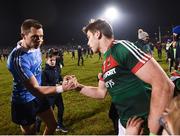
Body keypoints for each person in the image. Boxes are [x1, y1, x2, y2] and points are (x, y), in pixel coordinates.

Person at [76, 19, 174, 135]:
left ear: (97, 34)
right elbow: (100, 93)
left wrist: (152, 131)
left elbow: (164, 85)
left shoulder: (121, 48)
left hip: (145, 127)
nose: (87, 43)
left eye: (88, 37)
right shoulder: (105, 62)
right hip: (126, 126)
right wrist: (77, 86)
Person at [7, 19, 77, 135]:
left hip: (39, 96)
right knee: (31, 132)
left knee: (52, 125)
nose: (39, 40)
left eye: (41, 36)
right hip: (24, 101)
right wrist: (61, 88)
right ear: (23, 36)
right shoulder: (18, 60)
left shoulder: (34, 45)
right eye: (35, 37)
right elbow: (35, 88)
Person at [35, 48, 68, 133]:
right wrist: (55, 86)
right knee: (48, 113)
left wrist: (63, 81)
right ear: (46, 59)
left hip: (57, 94)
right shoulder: (44, 72)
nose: (53, 61)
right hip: (49, 96)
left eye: (54, 59)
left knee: (61, 108)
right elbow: (43, 86)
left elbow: (59, 78)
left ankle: (59, 124)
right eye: (51, 59)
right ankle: (37, 123)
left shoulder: (56, 68)